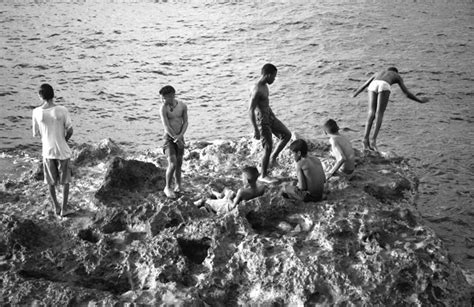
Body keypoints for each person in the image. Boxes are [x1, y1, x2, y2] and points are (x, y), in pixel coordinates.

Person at [353, 67, 429, 151]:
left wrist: (355, 94)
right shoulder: (396, 75)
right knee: (379, 113)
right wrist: (419, 100)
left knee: (371, 112)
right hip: (384, 85)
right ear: (396, 72)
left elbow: (364, 85)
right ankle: (373, 140)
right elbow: (406, 93)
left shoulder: (378, 72)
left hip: (373, 85)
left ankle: (365, 139)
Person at [32, 83, 74, 217]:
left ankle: (56, 207)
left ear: (40, 96)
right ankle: (64, 209)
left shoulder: (36, 112)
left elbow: (36, 134)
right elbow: (70, 130)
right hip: (62, 150)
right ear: (53, 95)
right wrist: (64, 140)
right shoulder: (62, 110)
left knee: (50, 182)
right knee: (65, 181)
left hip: (47, 151)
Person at [249, 63, 291, 183]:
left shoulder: (265, 86)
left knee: (286, 135)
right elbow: (250, 110)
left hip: (270, 116)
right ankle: (263, 175)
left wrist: (272, 115)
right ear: (267, 75)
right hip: (262, 121)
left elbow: (264, 104)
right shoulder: (257, 89)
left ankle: (273, 158)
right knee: (267, 147)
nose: (274, 79)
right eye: (273, 76)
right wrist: (256, 129)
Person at [197, 166, 266, 214]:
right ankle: (219, 195)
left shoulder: (242, 191)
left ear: (247, 181)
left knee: (204, 200)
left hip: (227, 207)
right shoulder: (261, 188)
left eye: (243, 178)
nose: (242, 179)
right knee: (228, 191)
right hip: (239, 200)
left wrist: (229, 199)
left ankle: (213, 199)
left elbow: (233, 206)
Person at [159, 85, 188, 198]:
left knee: (179, 163)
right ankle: (167, 187)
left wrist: (180, 136)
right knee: (172, 163)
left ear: (172, 95)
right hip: (169, 138)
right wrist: (176, 138)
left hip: (180, 137)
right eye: (161, 98)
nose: (162, 100)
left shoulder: (182, 106)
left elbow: (185, 122)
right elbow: (166, 126)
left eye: (164, 98)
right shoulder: (163, 108)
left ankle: (178, 185)